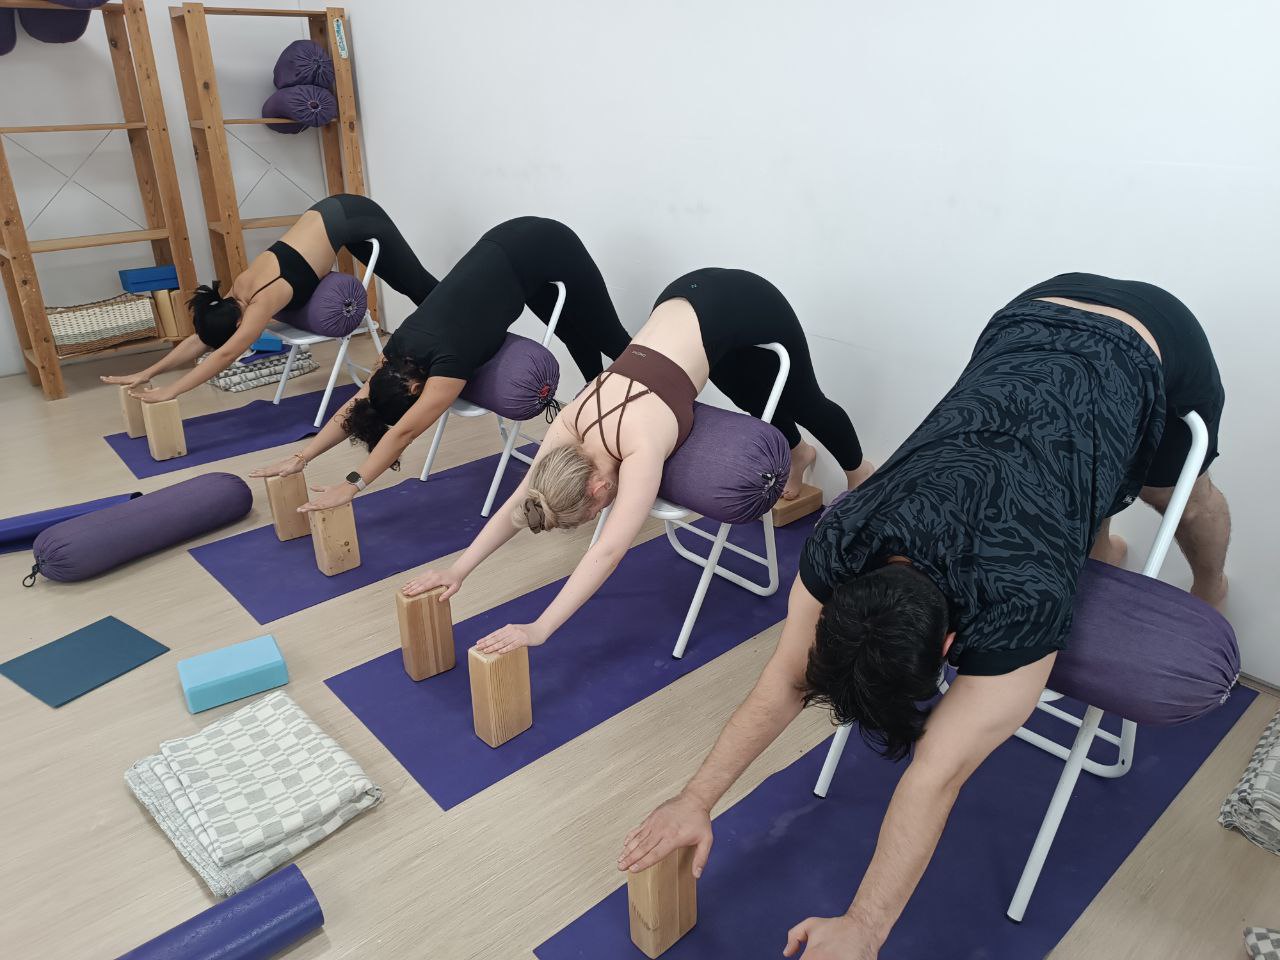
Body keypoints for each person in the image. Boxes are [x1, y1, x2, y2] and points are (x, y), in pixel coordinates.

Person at [618, 275, 1229, 959]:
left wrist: (865, 927)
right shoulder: (843, 538)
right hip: (1028, 318)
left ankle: (1214, 582)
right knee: (1077, 476)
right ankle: (1102, 545)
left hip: (1152, 338)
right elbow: (785, 679)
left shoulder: (1019, 603)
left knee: (1179, 496)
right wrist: (694, 799)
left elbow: (936, 775)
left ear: (949, 646)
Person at [402, 267, 872, 655]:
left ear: (596, 489)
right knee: (747, 389)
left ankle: (860, 474)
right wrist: (458, 570)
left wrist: (541, 628)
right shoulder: (570, 420)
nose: (602, 513)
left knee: (806, 401)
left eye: (594, 512)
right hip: (684, 301)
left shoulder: (641, 445)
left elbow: (607, 552)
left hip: (742, 298)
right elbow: (522, 499)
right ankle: (799, 453)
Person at [250, 216, 633, 512]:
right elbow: (358, 405)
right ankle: (607, 420)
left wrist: (351, 485)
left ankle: (648, 406)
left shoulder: (449, 366)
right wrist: (302, 457)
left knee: (612, 340)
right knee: (575, 335)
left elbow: (402, 434)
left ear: (416, 390)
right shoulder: (397, 353)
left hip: (545, 242)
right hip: (508, 252)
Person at [101, 193, 436, 401]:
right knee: (408, 286)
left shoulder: (260, 301)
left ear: (238, 323)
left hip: (354, 213)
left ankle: (459, 335)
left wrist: (172, 391)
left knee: (417, 285)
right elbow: (201, 340)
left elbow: (226, 353)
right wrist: (148, 372)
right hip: (330, 215)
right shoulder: (232, 296)